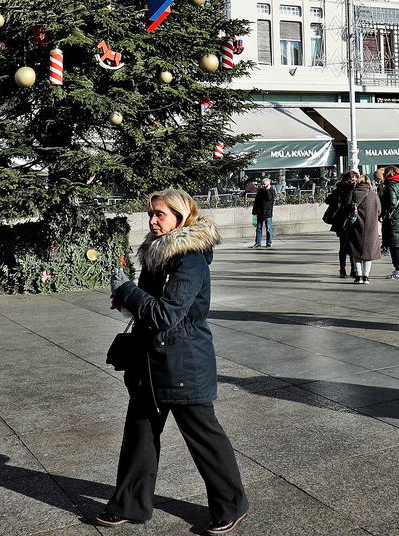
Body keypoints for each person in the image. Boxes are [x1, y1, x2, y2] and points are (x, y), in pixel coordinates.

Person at [97, 189, 248, 532]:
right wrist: (125, 300)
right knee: (139, 436)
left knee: (203, 436)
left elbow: (166, 314)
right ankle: (130, 504)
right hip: (148, 362)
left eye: (160, 214)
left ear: (181, 218)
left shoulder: (189, 259)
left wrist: (126, 291)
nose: (151, 220)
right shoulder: (158, 254)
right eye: (150, 213)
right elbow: (150, 306)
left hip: (183, 362)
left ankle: (231, 503)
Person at [344, 170, 381, 285]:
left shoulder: (355, 193)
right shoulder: (374, 195)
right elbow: (379, 211)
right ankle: (366, 276)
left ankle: (358, 276)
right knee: (368, 254)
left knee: (356, 253)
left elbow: (348, 207)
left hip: (356, 227)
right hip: (371, 227)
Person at [323, 173, 355, 278]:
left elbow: (328, 200)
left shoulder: (339, 188)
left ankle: (343, 269)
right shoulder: (350, 189)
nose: (354, 180)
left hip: (341, 221)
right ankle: (351, 269)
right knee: (349, 246)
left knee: (344, 246)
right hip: (347, 221)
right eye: (352, 179)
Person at [250, 177, 275, 248]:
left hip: (267, 213)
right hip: (260, 212)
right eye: (262, 184)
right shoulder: (260, 190)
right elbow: (256, 201)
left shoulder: (271, 191)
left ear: (268, 184)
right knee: (258, 228)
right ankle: (258, 243)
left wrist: (267, 189)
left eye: (264, 184)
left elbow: (269, 197)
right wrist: (254, 211)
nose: (263, 186)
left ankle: (269, 242)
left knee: (268, 229)